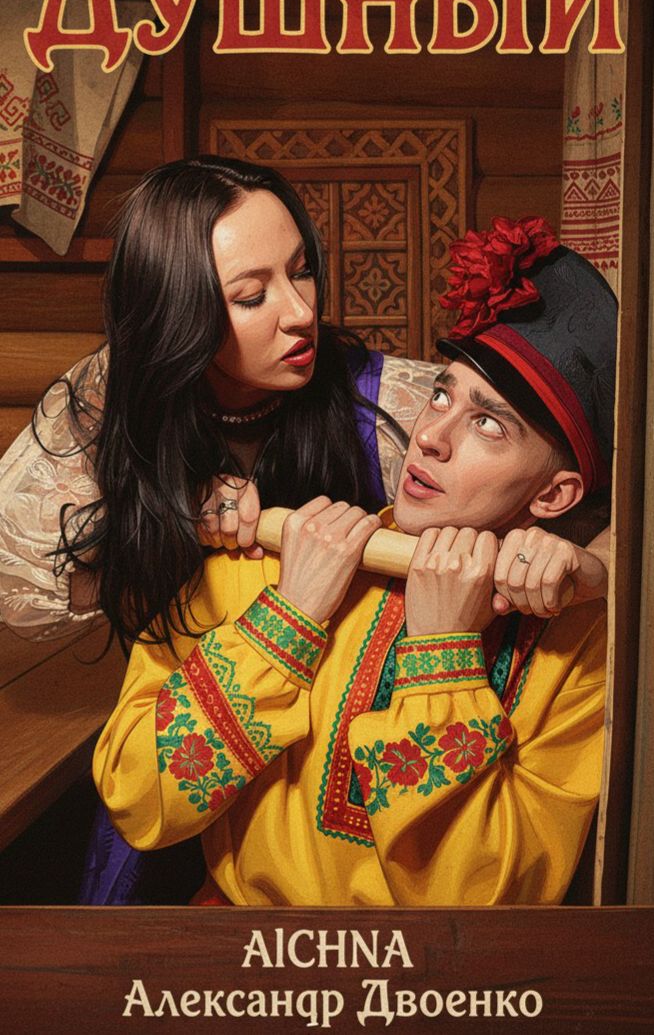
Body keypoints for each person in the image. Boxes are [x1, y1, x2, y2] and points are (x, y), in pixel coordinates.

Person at [93, 222, 616, 905]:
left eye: (488, 424)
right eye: (441, 395)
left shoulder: (578, 650)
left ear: (553, 495)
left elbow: (480, 907)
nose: (430, 437)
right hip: (244, 957)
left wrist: (444, 653)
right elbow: (137, 800)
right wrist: (286, 621)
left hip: (433, 972)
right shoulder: (273, 558)